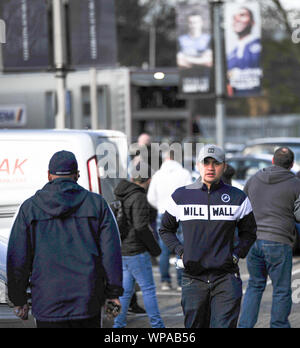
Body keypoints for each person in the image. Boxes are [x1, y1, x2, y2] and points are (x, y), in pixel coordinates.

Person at [6, 150, 123, 328]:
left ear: (49, 175)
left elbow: (18, 258)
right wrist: (113, 293)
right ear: (77, 175)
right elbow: (111, 253)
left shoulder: (29, 208)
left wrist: (18, 299)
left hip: (47, 301)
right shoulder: (97, 204)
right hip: (87, 299)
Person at [159, 144, 257, 328]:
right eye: (206, 163)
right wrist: (181, 251)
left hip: (226, 278)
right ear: (198, 165)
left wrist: (236, 254)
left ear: (224, 166)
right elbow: (165, 229)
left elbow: (249, 232)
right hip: (193, 278)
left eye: (216, 163)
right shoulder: (181, 196)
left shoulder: (238, 197)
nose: (210, 168)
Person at [238, 147, 300, 328]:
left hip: (254, 241)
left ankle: (245, 326)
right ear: (291, 164)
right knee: (281, 290)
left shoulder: (254, 179)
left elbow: (243, 207)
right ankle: (279, 325)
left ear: (272, 161)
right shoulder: (295, 184)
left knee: (254, 286)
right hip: (279, 241)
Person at [113, 163, 164, 328]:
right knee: (148, 289)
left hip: (123, 249)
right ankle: (157, 326)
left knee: (125, 292)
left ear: (132, 177)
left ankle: (118, 324)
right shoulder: (139, 197)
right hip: (136, 250)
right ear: (148, 180)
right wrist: (155, 249)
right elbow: (141, 227)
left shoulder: (122, 194)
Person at [147, 150, 192, 291]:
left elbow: (151, 197)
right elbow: (190, 192)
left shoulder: (158, 175)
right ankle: (180, 281)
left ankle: (165, 281)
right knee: (181, 248)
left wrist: (160, 206)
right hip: (181, 213)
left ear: (165, 158)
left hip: (163, 212)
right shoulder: (184, 173)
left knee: (164, 249)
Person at [226, 6, 262, 97]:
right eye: (234, 18)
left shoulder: (259, 46)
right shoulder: (231, 54)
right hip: (238, 98)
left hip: (256, 96)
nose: (237, 19)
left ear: (252, 22)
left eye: (242, 15)